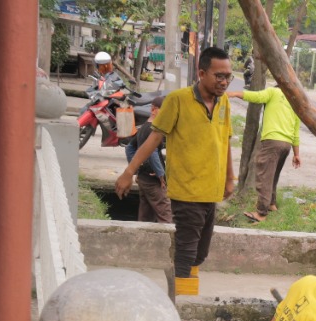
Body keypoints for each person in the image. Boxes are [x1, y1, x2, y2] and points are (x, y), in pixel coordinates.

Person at [116, 46, 235, 297]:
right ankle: (183, 304)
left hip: (210, 191)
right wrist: (129, 172)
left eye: (228, 76)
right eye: (219, 76)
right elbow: (153, 138)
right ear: (202, 73)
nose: (224, 82)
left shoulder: (223, 103)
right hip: (187, 189)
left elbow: (226, 142)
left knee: (200, 253)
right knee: (187, 251)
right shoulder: (178, 100)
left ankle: (179, 293)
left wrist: (229, 178)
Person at [225, 84, 303, 223]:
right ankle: (272, 204)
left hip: (272, 141)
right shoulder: (294, 102)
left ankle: (261, 213)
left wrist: (235, 93)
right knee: (273, 175)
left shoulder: (273, 92)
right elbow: (296, 132)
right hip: (286, 145)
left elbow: (256, 96)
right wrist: (296, 154)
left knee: (264, 177)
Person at [123, 95, 172, 224]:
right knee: (166, 215)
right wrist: (161, 175)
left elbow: (129, 148)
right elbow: (152, 152)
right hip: (154, 180)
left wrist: (137, 170)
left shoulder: (144, 127)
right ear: (153, 110)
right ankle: (171, 243)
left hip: (144, 178)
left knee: (146, 216)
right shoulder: (153, 130)